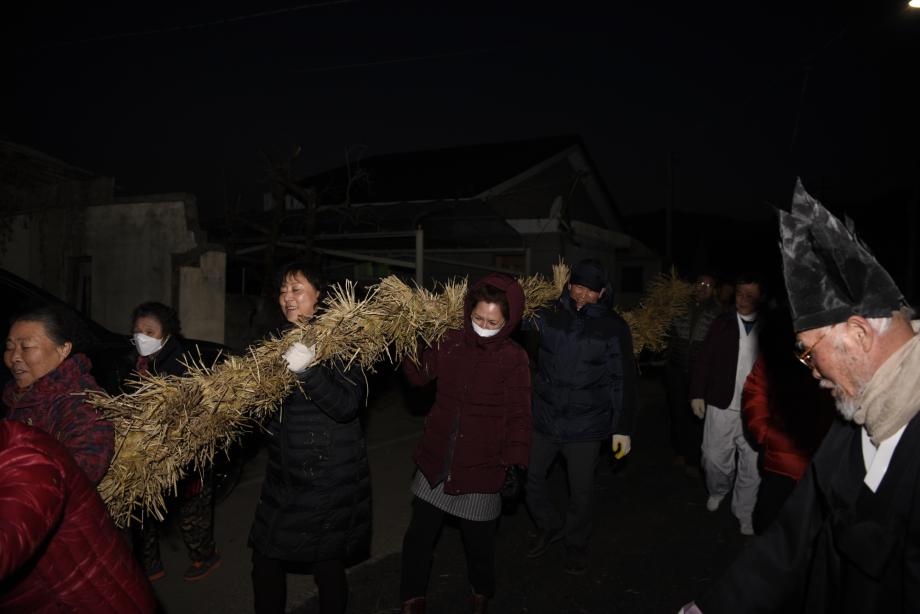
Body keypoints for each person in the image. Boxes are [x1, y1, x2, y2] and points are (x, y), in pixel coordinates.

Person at [684, 181, 920, 613]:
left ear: (859, 334)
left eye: (810, 352)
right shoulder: (851, 428)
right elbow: (791, 540)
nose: (811, 372)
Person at [398, 273, 532, 614]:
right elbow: (419, 376)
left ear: (508, 322)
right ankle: (412, 597)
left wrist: (515, 462)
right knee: (417, 539)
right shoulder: (451, 340)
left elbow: (519, 414)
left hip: (482, 467)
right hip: (437, 459)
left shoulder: (514, 359)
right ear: (467, 312)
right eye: (477, 319)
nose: (483, 327)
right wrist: (406, 341)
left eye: (492, 322)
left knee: (479, 545)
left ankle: (480, 592)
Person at [248, 262, 371, 614]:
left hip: (327, 476)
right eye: (284, 290)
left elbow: (348, 404)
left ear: (319, 296)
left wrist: (308, 370)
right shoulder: (275, 341)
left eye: (297, 289)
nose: (288, 298)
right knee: (265, 557)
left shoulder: (341, 340)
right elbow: (273, 409)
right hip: (285, 474)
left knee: (326, 563)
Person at [525, 258, 638, 575]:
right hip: (545, 418)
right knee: (530, 478)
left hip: (586, 426)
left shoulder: (613, 327)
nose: (582, 294)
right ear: (568, 284)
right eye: (577, 286)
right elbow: (515, 323)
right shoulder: (549, 313)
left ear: (602, 293)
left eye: (590, 290)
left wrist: (622, 429)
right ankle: (549, 524)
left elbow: (622, 379)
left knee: (581, 491)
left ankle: (576, 543)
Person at [0, 420, 156, 613]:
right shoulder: (14, 404)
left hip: (91, 594)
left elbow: (95, 446)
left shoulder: (20, 453)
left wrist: (73, 480)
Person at [128, 301, 221, 581]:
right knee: (142, 512)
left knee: (192, 511)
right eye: (137, 330)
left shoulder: (181, 364)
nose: (141, 336)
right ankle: (149, 564)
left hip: (186, 453)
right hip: (149, 451)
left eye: (149, 331)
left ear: (165, 335)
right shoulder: (140, 363)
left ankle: (204, 556)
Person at [741, 308, 834, 534]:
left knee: (811, 529)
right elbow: (756, 390)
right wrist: (764, 432)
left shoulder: (834, 354)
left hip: (822, 463)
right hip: (780, 458)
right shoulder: (777, 353)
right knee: (768, 521)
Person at [2, 304, 114, 484]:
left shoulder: (81, 401)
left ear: (63, 350)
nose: (14, 357)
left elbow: (85, 467)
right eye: (9, 347)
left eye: (26, 347)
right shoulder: (20, 397)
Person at [689, 273, 765, 535]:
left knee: (753, 464)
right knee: (712, 458)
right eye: (740, 293)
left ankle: (745, 510)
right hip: (721, 402)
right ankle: (719, 489)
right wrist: (697, 392)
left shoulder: (771, 327)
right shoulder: (722, 323)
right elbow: (704, 359)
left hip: (757, 408)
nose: (743, 299)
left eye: (750, 295)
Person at [664, 273, 723, 473]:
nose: (703, 287)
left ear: (713, 290)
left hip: (701, 373)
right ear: (693, 286)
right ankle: (680, 452)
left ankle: (694, 457)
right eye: (700, 283)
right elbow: (667, 334)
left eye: (708, 284)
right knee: (677, 411)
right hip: (677, 368)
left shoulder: (718, 313)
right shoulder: (679, 307)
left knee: (697, 415)